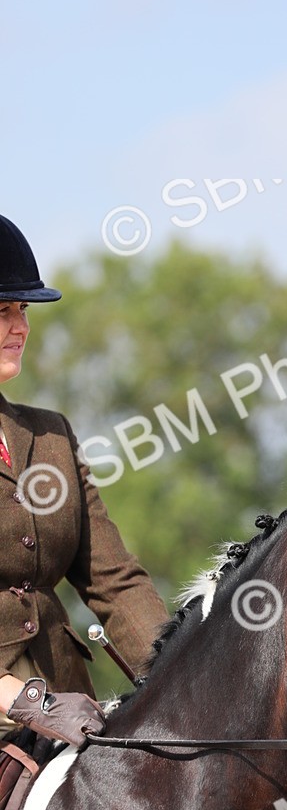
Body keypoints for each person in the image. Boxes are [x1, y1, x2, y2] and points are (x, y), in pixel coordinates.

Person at [0, 214, 168, 748]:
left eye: (23, 310)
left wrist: (178, 670)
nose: (21, 326)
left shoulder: (50, 437)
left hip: (66, 701)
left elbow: (114, 581)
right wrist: (25, 701)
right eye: (3, 310)